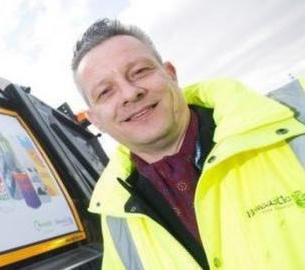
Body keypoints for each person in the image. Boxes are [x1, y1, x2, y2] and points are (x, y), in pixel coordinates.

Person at [71, 18, 305, 270]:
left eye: (140, 71)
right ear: (96, 120)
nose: (130, 93)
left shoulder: (295, 114)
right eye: (105, 92)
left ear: (170, 74)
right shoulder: (116, 216)